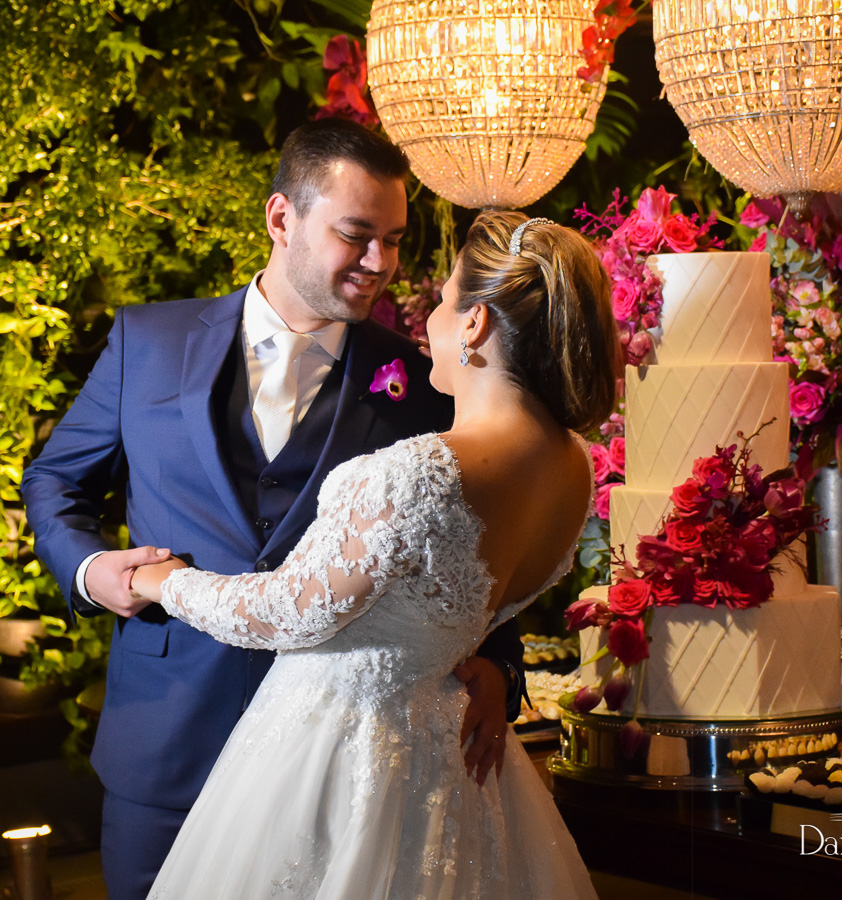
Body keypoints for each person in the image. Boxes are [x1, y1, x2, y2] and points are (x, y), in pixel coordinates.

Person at [20, 119, 525, 900]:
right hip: (167, 745)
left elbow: (476, 534)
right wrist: (91, 570)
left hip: (333, 762)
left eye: (393, 240)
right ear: (281, 218)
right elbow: (56, 480)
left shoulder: (422, 384)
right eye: (356, 235)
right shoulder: (146, 341)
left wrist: (500, 661)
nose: (380, 263)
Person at [129, 210, 622, 898]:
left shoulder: (416, 473)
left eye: (444, 301)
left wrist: (162, 581)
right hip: (455, 765)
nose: (429, 324)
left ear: (475, 323)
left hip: (341, 761)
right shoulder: (574, 467)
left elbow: (286, 612)